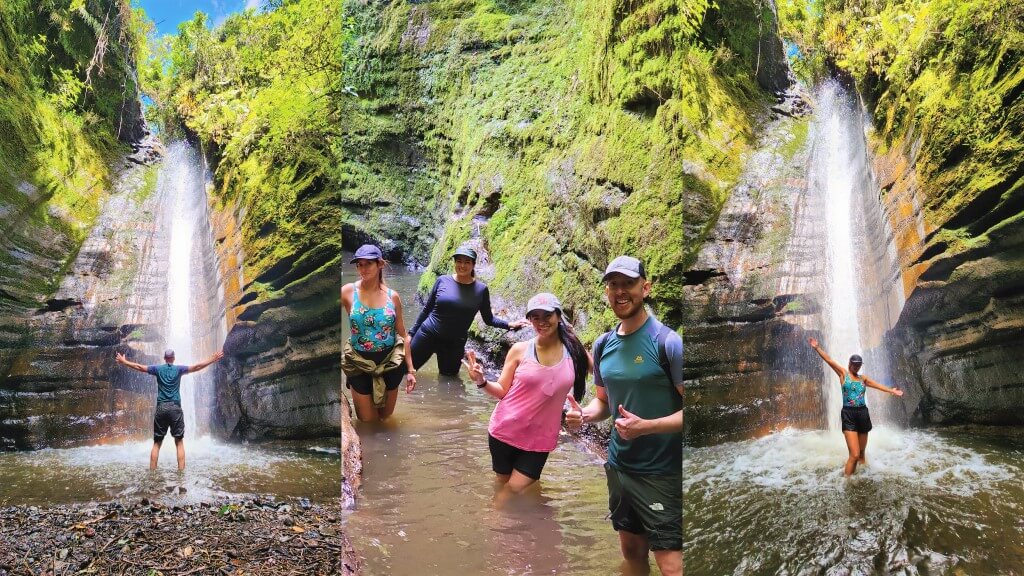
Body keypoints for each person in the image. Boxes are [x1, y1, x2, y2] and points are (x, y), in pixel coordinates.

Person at [565, 255, 683, 576]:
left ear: (645, 288)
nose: (620, 291)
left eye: (628, 283)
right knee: (631, 553)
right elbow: (602, 403)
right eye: (613, 284)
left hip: (662, 473)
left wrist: (647, 427)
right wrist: (583, 415)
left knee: (672, 565)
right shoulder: (603, 345)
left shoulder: (668, 343)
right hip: (620, 469)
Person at [462, 293, 590, 500]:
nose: (541, 322)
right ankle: (514, 528)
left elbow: (605, 377)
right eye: (535, 317)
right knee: (505, 487)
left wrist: (582, 412)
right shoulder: (520, 350)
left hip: (541, 438)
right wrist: (481, 381)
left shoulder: (574, 352)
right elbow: (502, 390)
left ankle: (492, 523)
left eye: (547, 315)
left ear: (558, 316)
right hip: (504, 431)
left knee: (512, 491)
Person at [409, 245, 528, 377]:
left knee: (449, 383)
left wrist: (509, 324)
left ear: (473, 265)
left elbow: (488, 319)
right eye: (459, 261)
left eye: (467, 262)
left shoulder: (481, 289)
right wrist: (411, 334)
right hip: (428, 334)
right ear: (454, 262)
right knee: (404, 372)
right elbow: (426, 310)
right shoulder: (442, 280)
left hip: (454, 343)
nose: (462, 265)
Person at [115, 348, 224, 471]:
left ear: (164, 358)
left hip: (161, 408)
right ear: (173, 358)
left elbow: (139, 367)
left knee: (157, 444)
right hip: (175, 408)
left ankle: (152, 473)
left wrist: (125, 362)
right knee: (179, 442)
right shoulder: (179, 369)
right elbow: (197, 367)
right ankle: (181, 474)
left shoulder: (157, 369)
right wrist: (212, 359)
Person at [808, 337, 903, 476]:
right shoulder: (843, 374)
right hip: (849, 415)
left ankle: (863, 476)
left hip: (863, 414)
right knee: (854, 454)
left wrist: (891, 391)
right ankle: (847, 482)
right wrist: (817, 348)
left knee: (862, 453)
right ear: (849, 364)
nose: (856, 366)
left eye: (858, 364)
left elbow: (877, 385)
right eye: (854, 364)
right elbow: (829, 360)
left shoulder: (863, 379)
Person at [342, 244, 416, 421]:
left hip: (389, 362)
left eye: (368, 263)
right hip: (359, 362)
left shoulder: (393, 296)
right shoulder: (347, 292)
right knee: (367, 422)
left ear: (380, 264)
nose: (363, 268)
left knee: (385, 417)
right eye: (359, 264)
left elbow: (403, 334)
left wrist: (411, 370)